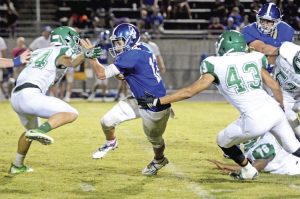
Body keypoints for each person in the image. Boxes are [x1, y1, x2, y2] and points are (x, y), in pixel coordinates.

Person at [137, 30, 300, 180]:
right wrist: (280, 106)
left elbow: (190, 92)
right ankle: (249, 170)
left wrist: (157, 101)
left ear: (223, 47)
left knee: (222, 140)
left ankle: (248, 170)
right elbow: (274, 85)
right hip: (274, 110)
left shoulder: (215, 63)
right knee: (295, 149)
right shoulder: (254, 58)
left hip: (254, 118)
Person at [9, 26, 101, 174]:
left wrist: (85, 55)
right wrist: (87, 54)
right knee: (71, 113)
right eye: (75, 40)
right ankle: (40, 131)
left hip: (16, 96)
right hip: (31, 95)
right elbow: (66, 60)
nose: (76, 43)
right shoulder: (64, 49)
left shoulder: (39, 51)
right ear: (67, 38)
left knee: (28, 132)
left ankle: (17, 165)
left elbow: (58, 62)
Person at [82, 23, 171, 176]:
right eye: (115, 42)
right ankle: (111, 142)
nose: (116, 46)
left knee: (155, 139)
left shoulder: (131, 55)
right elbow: (129, 73)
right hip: (139, 99)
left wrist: (91, 57)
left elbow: (101, 74)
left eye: (119, 42)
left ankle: (159, 160)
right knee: (107, 121)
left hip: (155, 105)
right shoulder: (143, 48)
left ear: (130, 40)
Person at [208, 132, 300, 176]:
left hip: (294, 168)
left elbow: (254, 168)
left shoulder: (263, 144)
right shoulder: (265, 137)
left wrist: (225, 166)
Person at [241, 3, 294, 68]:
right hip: (256, 67)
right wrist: (286, 51)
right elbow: (262, 49)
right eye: (262, 20)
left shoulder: (286, 30)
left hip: (279, 68)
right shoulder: (249, 30)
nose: (265, 24)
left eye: (269, 21)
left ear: (277, 22)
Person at [273, 41, 300, 139]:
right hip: (279, 96)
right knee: (291, 119)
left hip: (296, 98)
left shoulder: (288, 49)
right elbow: (272, 52)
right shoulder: (288, 49)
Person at [88, 30, 111, 101]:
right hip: (98, 65)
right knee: (98, 83)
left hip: (105, 65)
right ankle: (92, 94)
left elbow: (114, 46)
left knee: (105, 83)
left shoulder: (108, 45)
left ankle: (103, 97)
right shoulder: (98, 45)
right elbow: (91, 48)